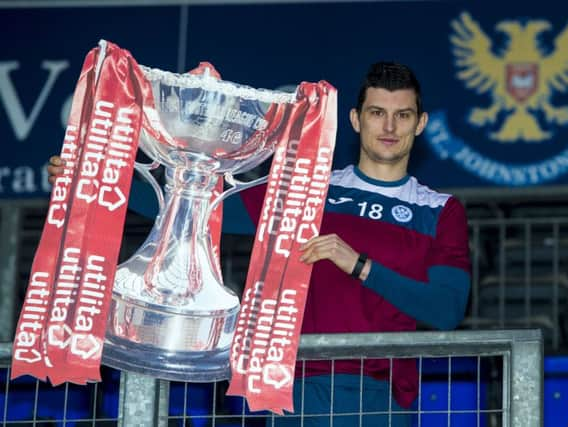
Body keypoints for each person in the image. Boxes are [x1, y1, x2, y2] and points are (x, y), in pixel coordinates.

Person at [48, 61, 471, 426]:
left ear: (421, 123)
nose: (390, 127)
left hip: (380, 393)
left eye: (403, 115)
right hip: (293, 385)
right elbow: (198, 204)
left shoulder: (440, 209)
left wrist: (358, 264)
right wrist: (90, 175)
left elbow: (446, 311)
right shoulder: (308, 189)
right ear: (357, 119)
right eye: (379, 113)